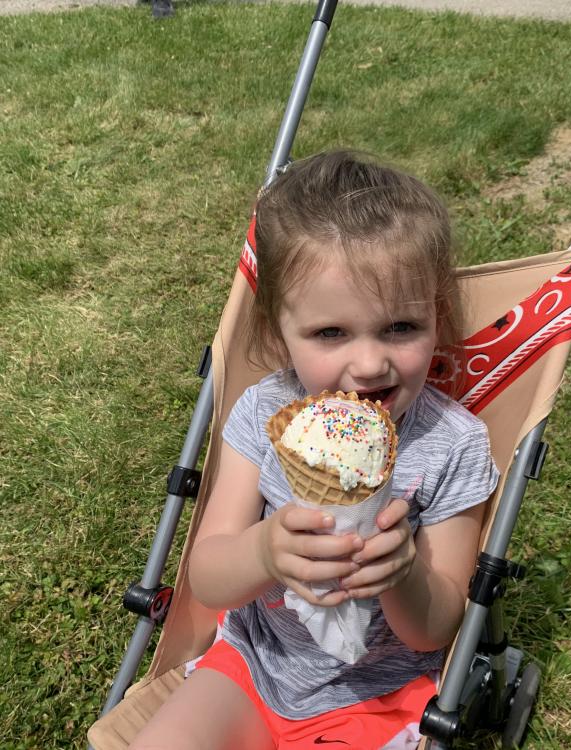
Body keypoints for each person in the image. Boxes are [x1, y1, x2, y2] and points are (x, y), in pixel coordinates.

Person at [130, 150, 499, 750]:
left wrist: (402, 573)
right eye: (331, 333)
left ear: (438, 318)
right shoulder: (263, 414)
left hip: (375, 696)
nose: (372, 362)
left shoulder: (453, 445)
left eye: (401, 328)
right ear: (279, 334)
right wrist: (266, 552)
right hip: (252, 667)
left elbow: (433, 630)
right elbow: (210, 576)